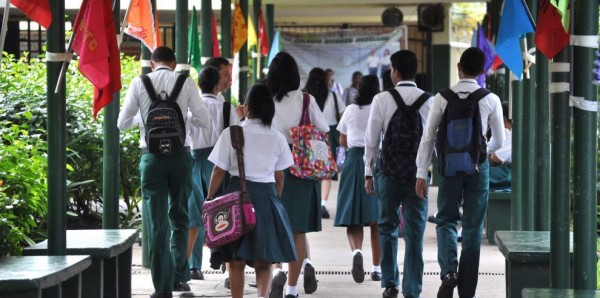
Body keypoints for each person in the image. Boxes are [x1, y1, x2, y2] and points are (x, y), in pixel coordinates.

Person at [117, 46, 210, 298]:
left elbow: (121, 123)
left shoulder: (139, 82)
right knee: (180, 216)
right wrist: (185, 116)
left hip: (152, 159)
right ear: (174, 62)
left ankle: (162, 287)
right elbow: (205, 122)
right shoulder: (186, 82)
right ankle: (181, 277)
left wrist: (146, 120)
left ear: (152, 63)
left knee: (157, 223)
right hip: (181, 157)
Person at [415, 47, 505, 298]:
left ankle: (448, 272)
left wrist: (422, 173)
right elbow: (499, 140)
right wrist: (482, 151)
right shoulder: (491, 98)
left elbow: (428, 136)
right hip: (478, 167)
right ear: (481, 72)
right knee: (473, 226)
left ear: (459, 67)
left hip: (448, 167)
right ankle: (467, 291)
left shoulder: (442, 97)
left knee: (445, 220)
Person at [205, 83, 297, 298]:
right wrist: (275, 200)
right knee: (263, 260)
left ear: (247, 107)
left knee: (235, 260)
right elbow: (280, 176)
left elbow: (219, 170)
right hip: (266, 198)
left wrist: (209, 197)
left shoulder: (232, 133)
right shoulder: (277, 137)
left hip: (234, 197)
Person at [364, 50, 433, 298]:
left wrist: (368, 173)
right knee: (415, 232)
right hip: (418, 176)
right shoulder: (429, 100)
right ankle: (412, 289)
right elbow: (430, 141)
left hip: (388, 172)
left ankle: (390, 283)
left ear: (395, 71)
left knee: (387, 227)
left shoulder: (382, 99)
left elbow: (371, 141)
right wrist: (423, 174)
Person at [266, 52, 330, 298]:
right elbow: (324, 129)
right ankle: (292, 289)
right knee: (298, 230)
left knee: (272, 225)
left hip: (271, 166)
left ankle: (276, 270)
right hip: (302, 166)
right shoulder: (306, 100)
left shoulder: (266, 99)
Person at [187, 63, 240, 281]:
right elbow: (238, 140)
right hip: (221, 168)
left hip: (194, 163)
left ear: (199, 85)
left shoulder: (191, 110)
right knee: (224, 217)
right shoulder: (227, 109)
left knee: (193, 219)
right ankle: (229, 272)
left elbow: (186, 138)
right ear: (218, 85)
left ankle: (188, 268)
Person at [334, 74, 382, 284]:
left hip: (354, 161)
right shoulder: (380, 107)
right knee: (376, 220)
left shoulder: (351, 110)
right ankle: (377, 268)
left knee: (353, 216)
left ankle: (356, 253)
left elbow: (342, 139)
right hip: (376, 160)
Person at [305, 67, 346, 219]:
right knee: (325, 174)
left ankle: (311, 203)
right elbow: (343, 117)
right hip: (326, 138)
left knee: (310, 172)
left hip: (308, 138)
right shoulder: (333, 96)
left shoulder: (304, 97)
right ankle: (323, 203)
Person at [488, 102, 512, 190]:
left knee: (478, 175)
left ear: (504, 118)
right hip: (507, 170)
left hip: (510, 173)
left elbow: (496, 158)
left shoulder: (514, 133)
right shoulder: (508, 131)